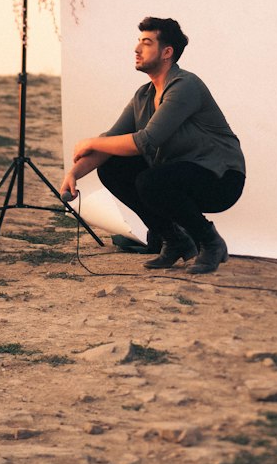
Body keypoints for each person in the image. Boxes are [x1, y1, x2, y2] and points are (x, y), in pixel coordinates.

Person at [60, 17, 245, 275]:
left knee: (151, 180)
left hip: (222, 178)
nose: (137, 49)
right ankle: (174, 239)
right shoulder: (143, 95)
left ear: (167, 52)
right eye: (138, 42)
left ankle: (211, 242)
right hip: (182, 173)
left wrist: (90, 141)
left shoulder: (185, 86)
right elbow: (111, 140)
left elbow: (146, 140)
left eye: (146, 43)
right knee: (112, 166)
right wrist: (74, 174)